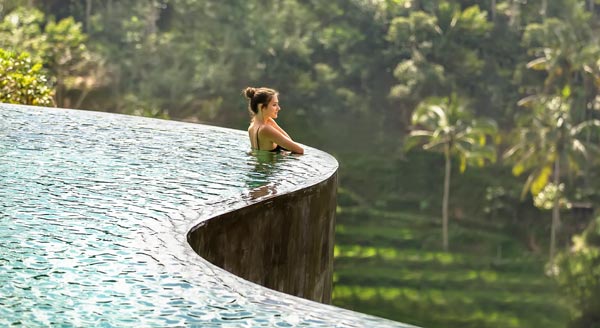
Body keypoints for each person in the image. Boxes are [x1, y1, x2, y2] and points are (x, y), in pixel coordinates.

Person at [243, 87, 304, 154]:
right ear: (261, 107)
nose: (278, 108)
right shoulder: (265, 129)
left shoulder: (252, 127)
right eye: (274, 105)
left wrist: (273, 123)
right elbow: (299, 150)